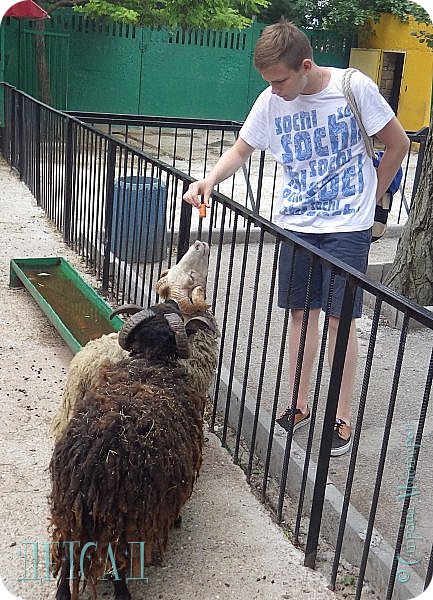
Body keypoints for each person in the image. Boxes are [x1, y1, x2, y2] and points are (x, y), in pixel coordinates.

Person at [183, 19, 410, 456]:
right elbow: (241, 149)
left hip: (346, 228)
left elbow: (397, 143)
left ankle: (341, 418)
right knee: (300, 317)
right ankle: (299, 405)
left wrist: (370, 198)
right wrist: (209, 181)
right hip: (296, 225)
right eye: (268, 82)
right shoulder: (272, 100)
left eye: (280, 81)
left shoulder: (352, 88)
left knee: (342, 323)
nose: (273, 90)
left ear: (305, 65)